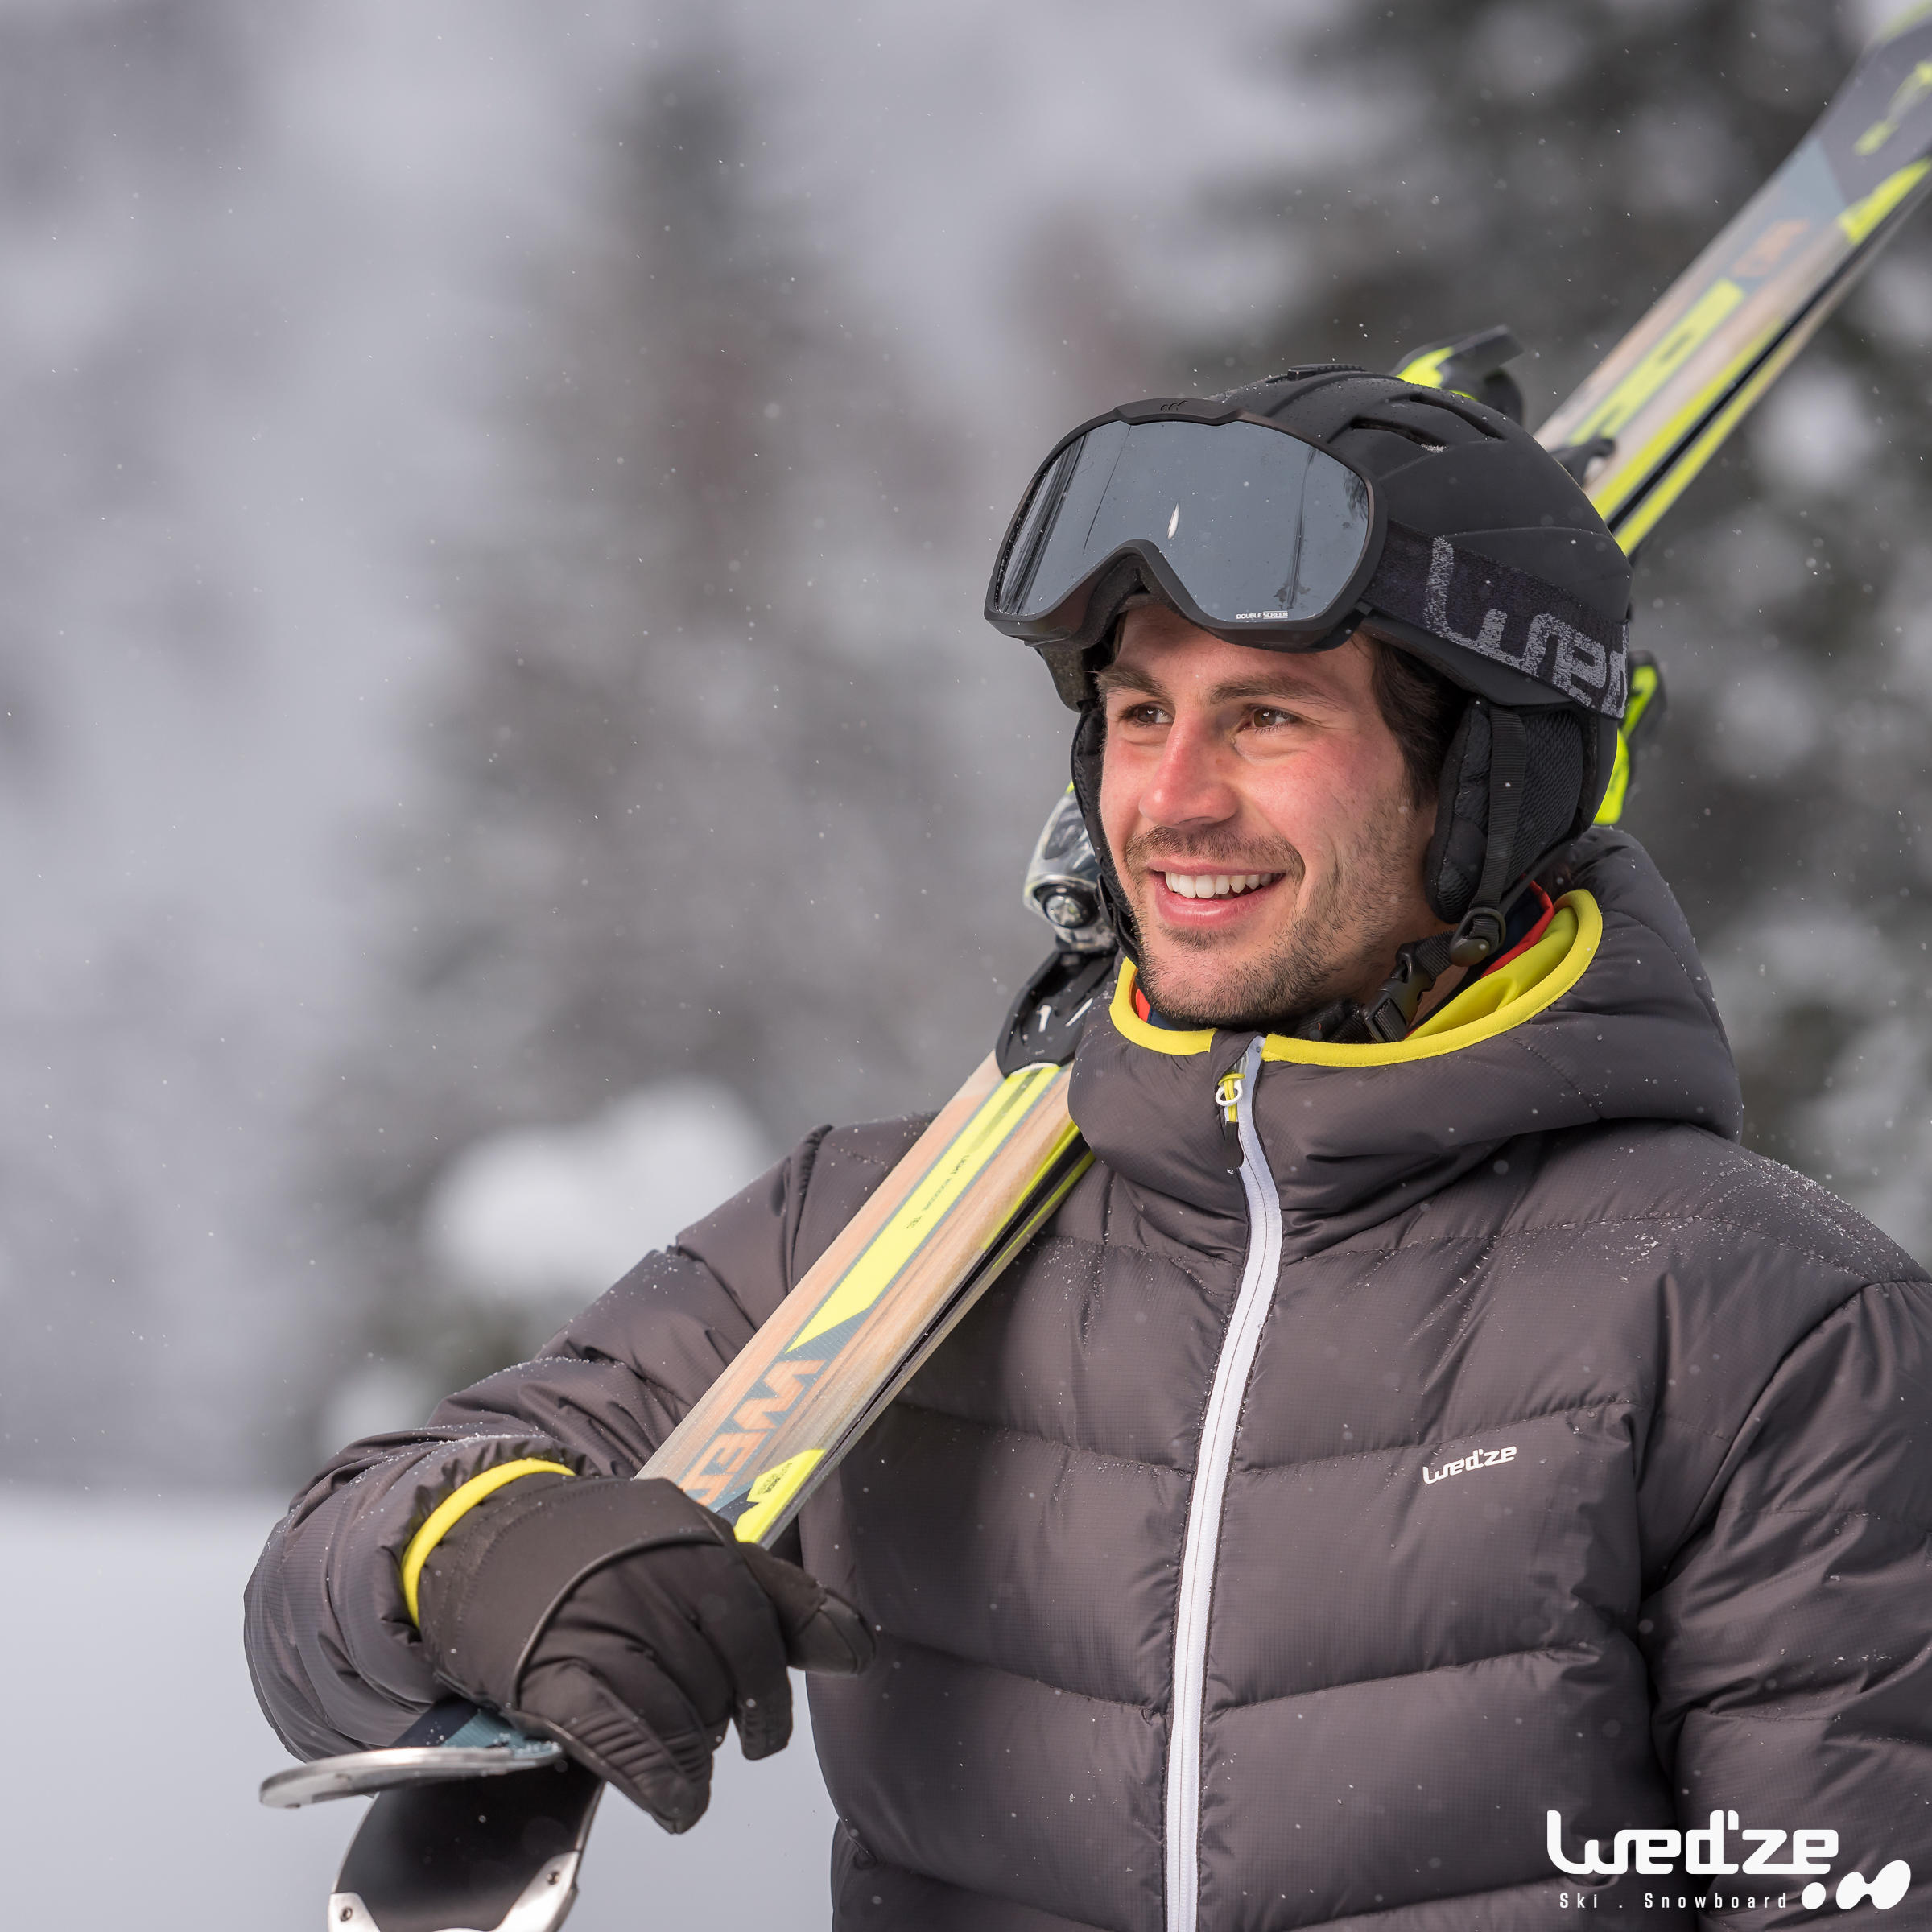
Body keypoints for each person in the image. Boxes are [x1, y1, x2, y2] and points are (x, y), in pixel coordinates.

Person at [247, 365, 1932, 1928]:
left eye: (1266, 719)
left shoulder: (1764, 1326)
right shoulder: (893, 1232)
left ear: (1488, 779)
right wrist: (484, 1559)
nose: (1172, 799)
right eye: (1138, 714)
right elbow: (327, 1574)